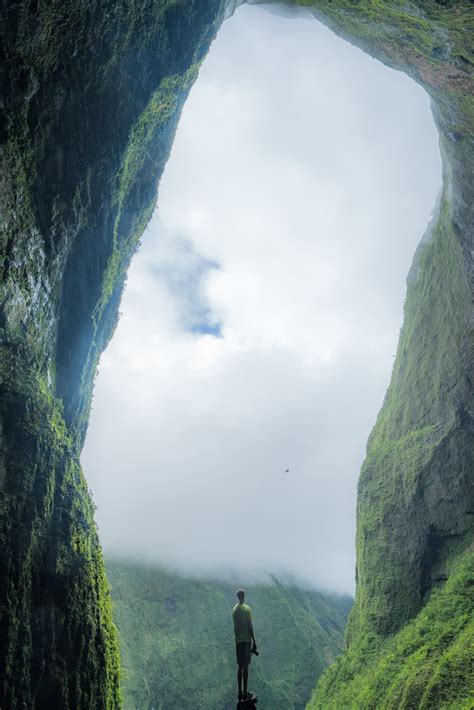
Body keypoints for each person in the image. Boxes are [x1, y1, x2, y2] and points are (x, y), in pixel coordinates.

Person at [232, 588, 257, 702]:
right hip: (246, 640)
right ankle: (246, 692)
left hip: (238, 641)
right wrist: (254, 642)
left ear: (238, 596)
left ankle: (239, 692)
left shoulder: (234, 610)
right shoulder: (247, 609)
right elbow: (250, 626)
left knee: (240, 667)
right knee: (246, 666)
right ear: (244, 596)